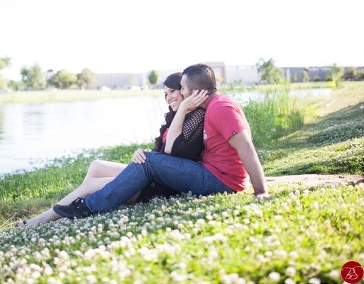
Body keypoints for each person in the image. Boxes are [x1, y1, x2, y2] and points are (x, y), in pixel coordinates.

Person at [53, 63, 270, 219]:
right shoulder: (207, 109)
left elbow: (246, 147)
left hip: (221, 181)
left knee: (149, 160)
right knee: (147, 159)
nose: (180, 93)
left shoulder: (220, 107)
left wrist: (260, 191)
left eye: (182, 88)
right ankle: (83, 205)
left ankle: (89, 208)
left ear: (195, 91)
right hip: (209, 172)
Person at [15, 72, 208, 226]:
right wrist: (140, 152)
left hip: (159, 185)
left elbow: (170, 155)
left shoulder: (193, 117)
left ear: (185, 91)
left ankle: (42, 219)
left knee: (90, 186)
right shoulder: (175, 116)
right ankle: (82, 202)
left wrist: (182, 109)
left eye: (173, 91)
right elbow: (160, 151)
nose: (168, 98)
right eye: (165, 94)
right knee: (96, 166)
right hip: (149, 173)